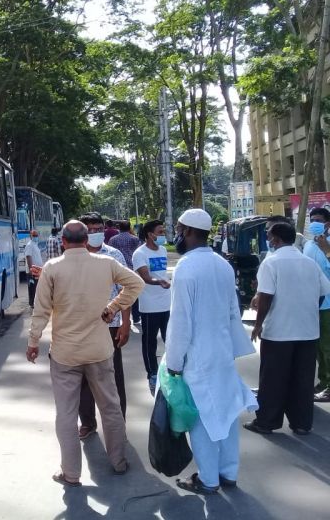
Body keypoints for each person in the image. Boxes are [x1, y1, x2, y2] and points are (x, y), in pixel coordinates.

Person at [26, 220, 143, 487]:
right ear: (86, 240)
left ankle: (71, 473)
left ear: (64, 241)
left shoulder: (52, 269)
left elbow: (41, 310)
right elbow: (135, 284)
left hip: (65, 354)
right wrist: (113, 308)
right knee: (111, 408)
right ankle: (119, 461)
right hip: (100, 350)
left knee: (66, 414)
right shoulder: (105, 263)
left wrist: (33, 342)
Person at [166, 208, 258, 495]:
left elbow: (181, 321)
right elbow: (234, 311)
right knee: (227, 413)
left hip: (197, 356)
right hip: (221, 352)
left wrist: (174, 362)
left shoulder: (186, 268)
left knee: (204, 419)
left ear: (190, 232)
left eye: (179, 230)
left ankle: (208, 479)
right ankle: (228, 473)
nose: (177, 235)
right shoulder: (221, 264)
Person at [244, 221, 330, 437]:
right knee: (302, 380)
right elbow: (322, 292)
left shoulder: (271, 263)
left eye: (269, 235)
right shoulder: (309, 263)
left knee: (273, 379)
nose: (268, 239)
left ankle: (266, 422)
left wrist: (258, 323)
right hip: (308, 331)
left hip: (279, 333)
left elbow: (265, 297)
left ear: (276, 239)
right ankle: (301, 423)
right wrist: (308, 313)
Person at [77, 213, 133, 441]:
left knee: (113, 377)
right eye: (89, 230)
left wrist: (126, 323)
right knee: (83, 378)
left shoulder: (114, 255)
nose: (95, 233)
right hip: (82, 327)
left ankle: (119, 422)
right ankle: (88, 422)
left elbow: (127, 288)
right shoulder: (74, 257)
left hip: (110, 326)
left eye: (98, 228)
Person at [132, 219, 172, 394]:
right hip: (149, 306)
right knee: (150, 342)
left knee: (170, 339)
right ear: (150, 234)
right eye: (160, 232)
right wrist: (160, 281)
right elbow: (145, 277)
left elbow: (163, 272)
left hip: (167, 303)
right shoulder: (139, 253)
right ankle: (152, 374)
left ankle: (172, 370)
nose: (162, 235)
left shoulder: (163, 249)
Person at [304, 207, 330, 402]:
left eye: (318, 220)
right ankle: (323, 382)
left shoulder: (326, 245)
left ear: (327, 224)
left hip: (328, 304)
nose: (314, 222)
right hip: (312, 304)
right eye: (312, 219)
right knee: (318, 347)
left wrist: (326, 250)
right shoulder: (308, 245)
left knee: (328, 346)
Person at [107, 220, 142, 325]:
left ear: (119, 227)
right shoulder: (134, 239)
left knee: (119, 294)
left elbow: (109, 251)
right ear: (129, 227)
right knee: (132, 294)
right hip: (131, 269)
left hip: (118, 269)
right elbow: (138, 252)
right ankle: (135, 317)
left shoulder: (113, 240)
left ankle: (120, 318)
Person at [25, 229, 43, 308]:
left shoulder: (35, 244)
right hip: (33, 271)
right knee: (32, 288)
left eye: (36, 235)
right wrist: (31, 270)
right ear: (30, 236)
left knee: (37, 287)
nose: (36, 237)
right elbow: (28, 257)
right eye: (34, 235)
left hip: (37, 270)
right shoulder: (29, 245)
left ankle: (36, 302)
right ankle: (32, 303)